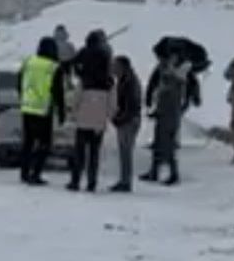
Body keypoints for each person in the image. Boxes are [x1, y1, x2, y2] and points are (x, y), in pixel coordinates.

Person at [67, 29, 114, 192]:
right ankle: (92, 182)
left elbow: (76, 100)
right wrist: (108, 116)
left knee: (79, 151)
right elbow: (112, 102)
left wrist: (73, 114)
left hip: (83, 118)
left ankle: (75, 181)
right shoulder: (107, 79)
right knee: (94, 153)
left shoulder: (84, 81)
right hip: (99, 119)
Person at [19, 36, 67, 186]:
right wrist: (61, 112)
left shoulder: (28, 62)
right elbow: (58, 92)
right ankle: (36, 173)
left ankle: (25, 172)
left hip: (27, 107)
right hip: (43, 110)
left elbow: (19, 82)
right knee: (44, 144)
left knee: (28, 142)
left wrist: (23, 96)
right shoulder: (53, 67)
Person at [142, 50, 191, 186]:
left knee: (168, 146)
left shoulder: (175, 83)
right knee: (158, 145)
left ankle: (173, 174)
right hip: (164, 116)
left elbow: (171, 102)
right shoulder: (169, 82)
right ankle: (154, 171)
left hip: (168, 118)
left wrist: (159, 111)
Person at [109, 55, 143, 193]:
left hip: (129, 121)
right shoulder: (125, 80)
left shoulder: (129, 82)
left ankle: (126, 181)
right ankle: (124, 179)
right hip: (127, 119)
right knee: (124, 152)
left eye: (115, 66)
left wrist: (120, 119)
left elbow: (131, 104)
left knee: (126, 152)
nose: (112, 69)